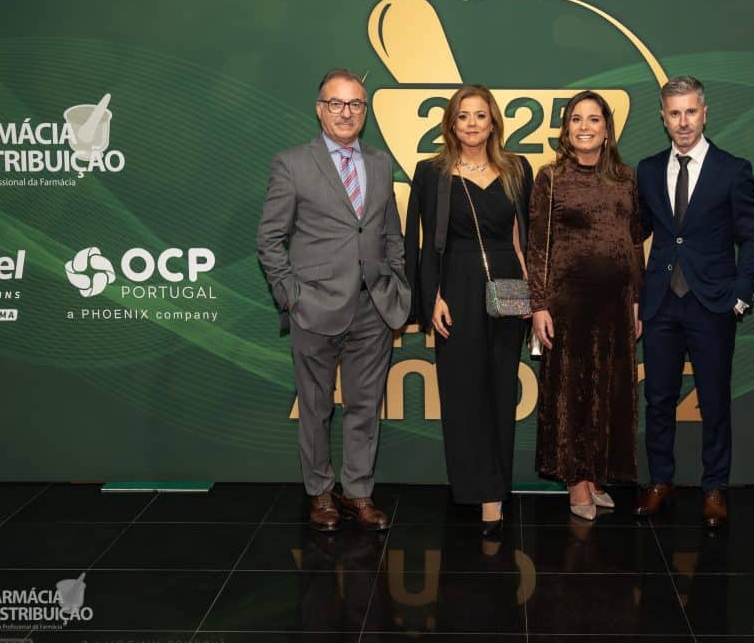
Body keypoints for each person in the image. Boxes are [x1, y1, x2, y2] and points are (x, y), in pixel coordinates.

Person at [257, 68, 410, 533]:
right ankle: (320, 493)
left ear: (365, 111)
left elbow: (390, 234)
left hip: (373, 307)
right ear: (320, 109)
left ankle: (358, 492)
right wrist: (292, 297)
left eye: (355, 104)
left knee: (365, 407)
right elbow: (270, 239)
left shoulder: (380, 163)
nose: (347, 113)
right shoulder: (292, 163)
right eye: (336, 103)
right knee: (315, 408)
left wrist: (395, 281)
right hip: (314, 307)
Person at [634, 75, 754, 527]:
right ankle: (660, 482)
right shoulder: (648, 170)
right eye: (675, 113)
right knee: (658, 399)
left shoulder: (733, 170)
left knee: (713, 399)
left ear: (704, 113)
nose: (683, 121)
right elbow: (636, 233)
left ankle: (714, 487)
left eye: (691, 111)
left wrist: (740, 295)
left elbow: (752, 238)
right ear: (663, 118)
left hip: (713, 303)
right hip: (660, 304)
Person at [404, 84, 532, 537]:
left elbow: (523, 236)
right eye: (463, 115)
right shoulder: (431, 172)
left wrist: (531, 295)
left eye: (480, 115)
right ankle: (473, 487)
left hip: (506, 286)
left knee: (500, 388)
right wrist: (432, 297)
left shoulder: (516, 168)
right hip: (454, 285)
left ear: (493, 121)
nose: (472, 123)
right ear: (451, 124)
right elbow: (421, 243)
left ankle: (494, 492)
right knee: (462, 392)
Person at [528, 90, 643, 521]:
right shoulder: (551, 178)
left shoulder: (626, 178)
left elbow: (634, 243)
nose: (585, 127)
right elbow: (537, 246)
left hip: (616, 304)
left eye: (594, 119)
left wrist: (637, 300)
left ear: (607, 128)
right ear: (566, 128)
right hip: (568, 305)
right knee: (572, 393)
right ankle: (576, 482)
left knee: (608, 391)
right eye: (577, 119)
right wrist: (539, 305)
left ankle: (596, 476)